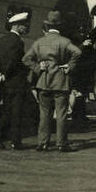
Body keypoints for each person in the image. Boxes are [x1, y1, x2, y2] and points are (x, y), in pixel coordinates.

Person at [23, 10, 82, 153]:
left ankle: (43, 143)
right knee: (61, 113)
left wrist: (38, 67)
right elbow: (77, 52)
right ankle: (61, 144)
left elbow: (26, 59)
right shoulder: (64, 41)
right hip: (61, 81)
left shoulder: (39, 42)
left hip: (44, 82)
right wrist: (70, 65)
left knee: (44, 113)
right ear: (59, 26)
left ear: (46, 27)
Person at [0, 12, 30, 150]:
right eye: (24, 26)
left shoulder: (2, 39)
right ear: (18, 26)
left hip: (4, 81)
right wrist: (6, 74)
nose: (26, 28)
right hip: (15, 81)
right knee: (17, 111)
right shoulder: (18, 42)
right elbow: (13, 61)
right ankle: (15, 141)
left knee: (7, 110)